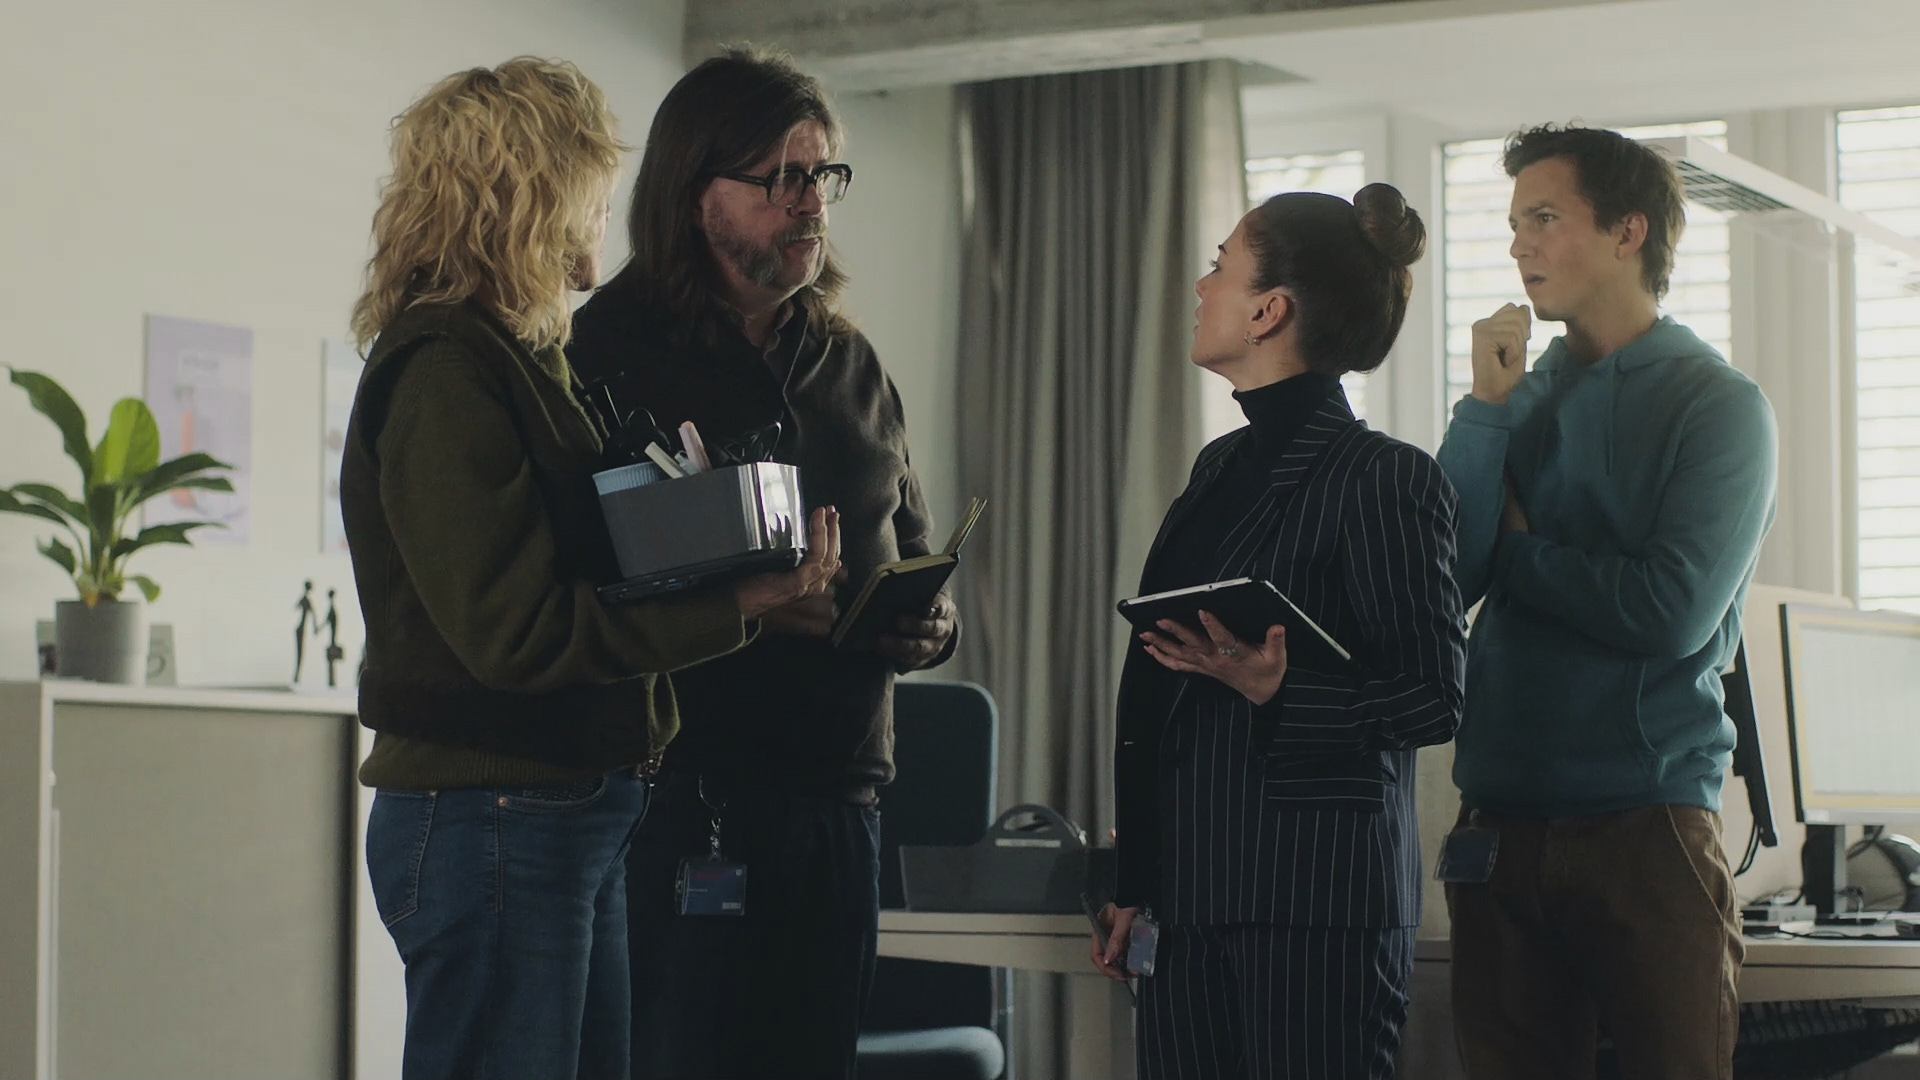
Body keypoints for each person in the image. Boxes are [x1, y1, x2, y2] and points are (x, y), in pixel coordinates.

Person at [340, 57, 841, 1080]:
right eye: (592, 191)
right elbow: (517, 635)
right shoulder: (446, 370)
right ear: (531, 198)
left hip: (556, 814)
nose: (606, 217)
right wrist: (734, 603)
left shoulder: (519, 357)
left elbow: (569, 565)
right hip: (497, 817)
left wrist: (697, 534)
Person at [564, 48, 959, 1080]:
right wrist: (745, 605)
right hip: (676, 800)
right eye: (782, 178)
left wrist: (932, 624)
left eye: (823, 176)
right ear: (697, 193)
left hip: (839, 801)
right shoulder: (601, 354)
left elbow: (911, 547)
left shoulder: (852, 363)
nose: (811, 203)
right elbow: (574, 586)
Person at [1092, 183, 1468, 1079]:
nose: (1200, 287)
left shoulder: (1385, 477)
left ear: (1269, 311)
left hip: (1315, 902)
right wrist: (1135, 881)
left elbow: (1433, 697)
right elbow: (1161, 682)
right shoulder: (1218, 465)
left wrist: (1280, 687)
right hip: (1187, 896)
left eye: (1220, 267)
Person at [1436, 124, 1777, 1079]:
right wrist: (1483, 409)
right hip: (1497, 825)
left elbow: (1671, 611)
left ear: (1629, 232)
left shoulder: (1720, 405)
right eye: (1514, 223)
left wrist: (1521, 554)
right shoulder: (1513, 397)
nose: (1519, 244)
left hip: (1647, 828)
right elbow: (1444, 584)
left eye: (1545, 217)